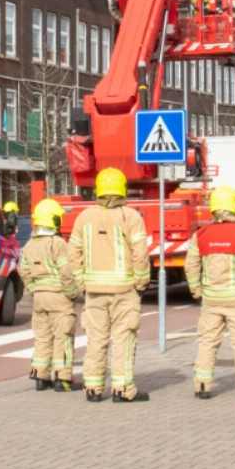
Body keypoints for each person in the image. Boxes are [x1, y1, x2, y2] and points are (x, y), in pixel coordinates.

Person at [69, 168, 151, 403]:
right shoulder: (131, 217)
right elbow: (140, 253)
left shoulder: (84, 217)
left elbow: (73, 253)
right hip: (124, 291)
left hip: (94, 293)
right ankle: (122, 389)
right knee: (124, 340)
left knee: (96, 341)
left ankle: (93, 389)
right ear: (122, 189)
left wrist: (82, 282)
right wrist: (141, 283)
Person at [185, 184, 235, 401]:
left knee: (208, 342)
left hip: (211, 299)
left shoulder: (201, 235)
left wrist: (196, 290)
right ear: (234, 207)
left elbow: (191, 266)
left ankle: (203, 387)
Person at [17, 198, 79, 392]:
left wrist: (35, 289)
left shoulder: (29, 245)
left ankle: (41, 377)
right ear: (54, 221)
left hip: (39, 299)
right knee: (63, 338)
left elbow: (24, 271)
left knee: (42, 338)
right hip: (58, 298)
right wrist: (72, 293)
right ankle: (63, 379)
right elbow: (66, 272)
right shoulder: (58, 244)